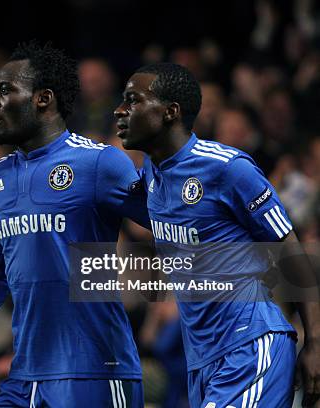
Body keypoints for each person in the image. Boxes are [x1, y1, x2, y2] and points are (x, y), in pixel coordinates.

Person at [0, 41, 150, 407]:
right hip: (27, 373)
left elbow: (172, 224)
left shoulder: (99, 164)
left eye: (5, 91)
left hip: (96, 372)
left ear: (43, 99)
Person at [114, 62, 320, 407]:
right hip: (202, 362)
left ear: (170, 112)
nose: (120, 111)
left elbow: (291, 251)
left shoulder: (225, 167)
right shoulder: (152, 176)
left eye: (133, 100)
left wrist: (315, 343)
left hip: (250, 347)